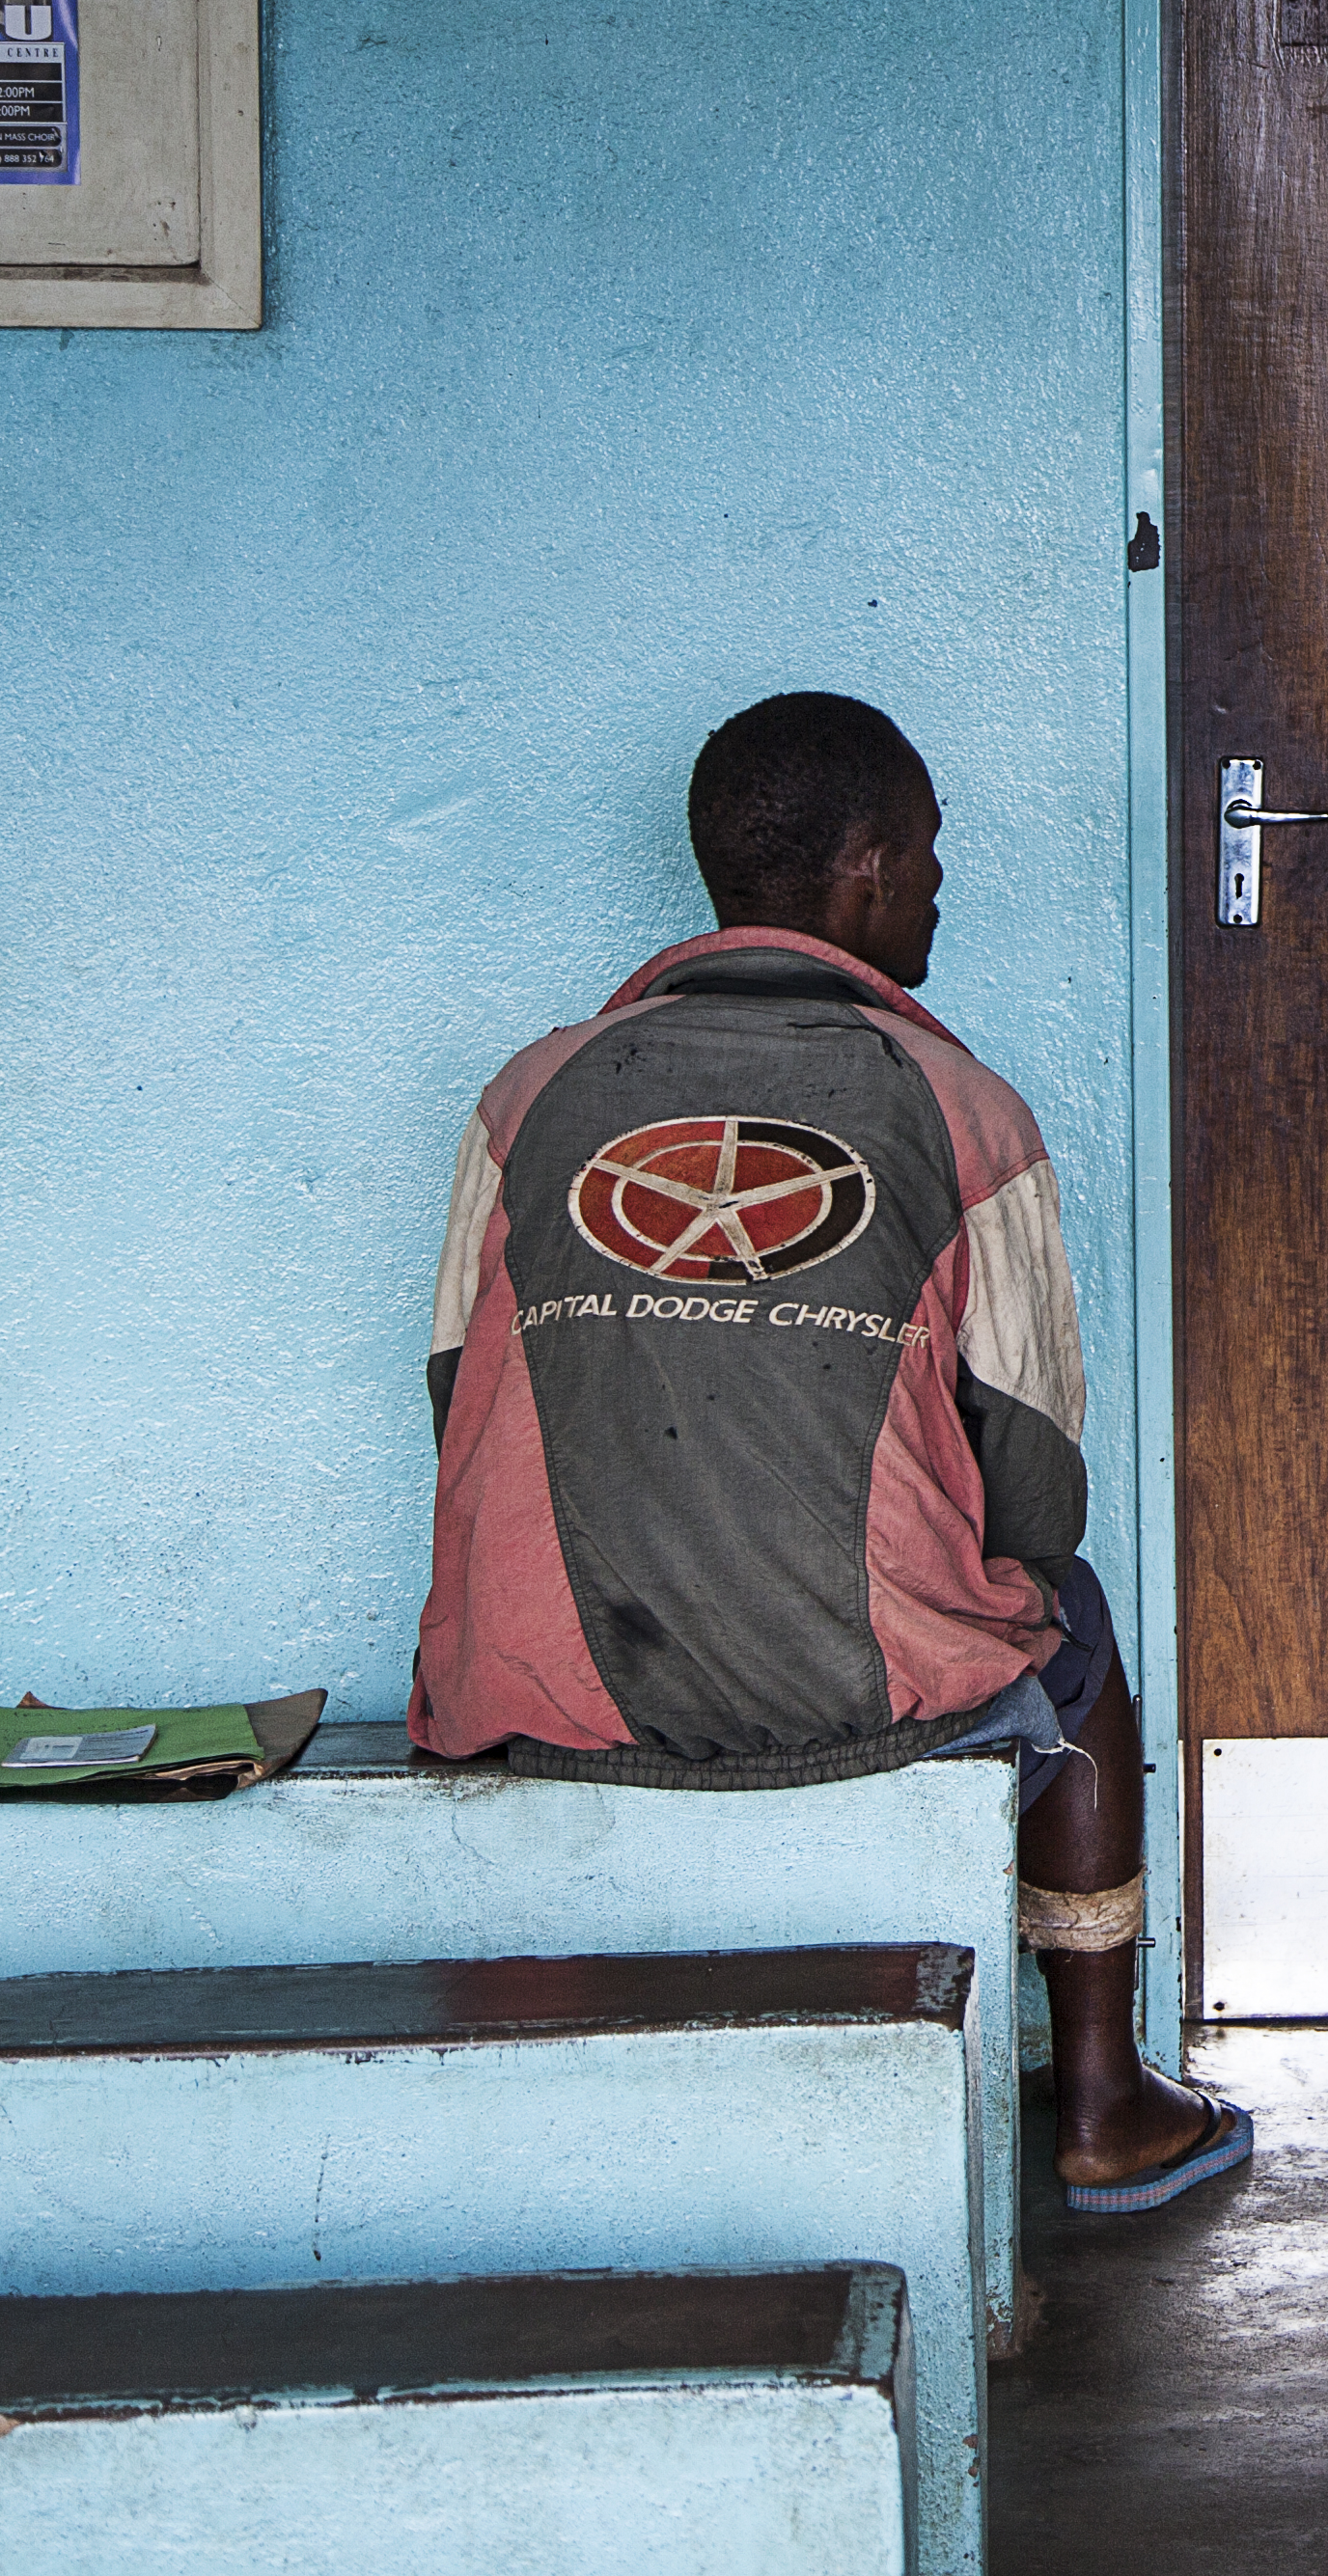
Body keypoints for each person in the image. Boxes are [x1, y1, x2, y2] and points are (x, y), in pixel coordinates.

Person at [410, 690, 1250, 2211]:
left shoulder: (526, 1097)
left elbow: (454, 1401)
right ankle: (1107, 2107)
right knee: (1082, 1634)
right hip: (855, 1690)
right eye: (929, 854)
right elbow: (1038, 1490)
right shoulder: (964, 1111)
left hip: (537, 1688)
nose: (940, 886)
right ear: (864, 867)